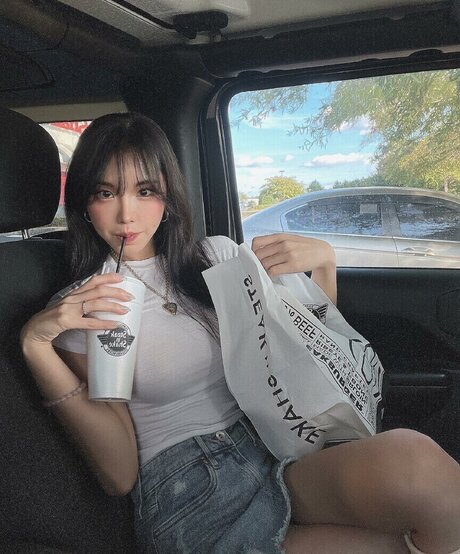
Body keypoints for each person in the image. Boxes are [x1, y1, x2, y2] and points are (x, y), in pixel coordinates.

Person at [21, 112, 460, 554]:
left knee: (419, 468)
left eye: (145, 190)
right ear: (84, 202)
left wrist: (324, 265)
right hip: (192, 490)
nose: (126, 214)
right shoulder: (89, 303)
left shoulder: (216, 257)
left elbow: (305, 354)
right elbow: (119, 476)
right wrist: (37, 347)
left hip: (276, 444)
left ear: (168, 196)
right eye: (106, 193)